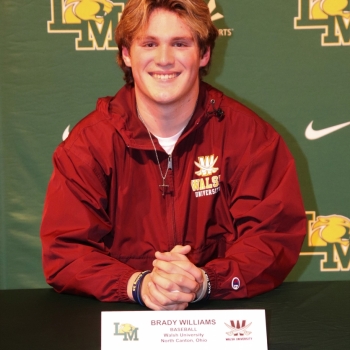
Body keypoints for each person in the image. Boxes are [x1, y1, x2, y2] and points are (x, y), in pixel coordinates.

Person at [40, 0, 306, 311]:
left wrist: (205, 281)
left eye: (180, 43)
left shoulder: (250, 138)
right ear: (127, 53)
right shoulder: (87, 146)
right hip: (124, 317)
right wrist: (138, 285)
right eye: (149, 43)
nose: (164, 59)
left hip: (219, 315)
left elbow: (273, 237)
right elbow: (66, 250)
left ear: (203, 53)